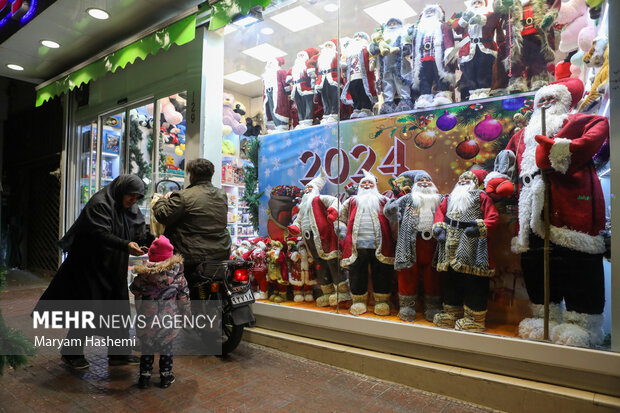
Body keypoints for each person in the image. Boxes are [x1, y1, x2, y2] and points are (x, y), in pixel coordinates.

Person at [500, 77, 609, 347]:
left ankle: (583, 323)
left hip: (570, 204)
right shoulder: (522, 134)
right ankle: (543, 315)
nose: (546, 105)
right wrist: (499, 179)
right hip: (530, 209)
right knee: (536, 263)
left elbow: (598, 132)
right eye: (543, 100)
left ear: (565, 102)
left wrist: (559, 151)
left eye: (552, 99)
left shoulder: (579, 121)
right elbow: (507, 160)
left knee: (576, 261)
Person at [37, 174, 148, 369]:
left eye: (138, 197)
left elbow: (138, 231)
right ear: (121, 190)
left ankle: (118, 353)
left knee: (118, 309)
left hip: (113, 266)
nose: (133, 201)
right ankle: (71, 354)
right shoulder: (100, 203)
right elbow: (99, 233)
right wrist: (126, 244)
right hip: (90, 266)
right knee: (88, 309)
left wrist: (148, 242)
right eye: (131, 196)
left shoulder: (129, 208)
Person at [432, 169, 499, 332]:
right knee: (451, 278)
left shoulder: (481, 197)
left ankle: (475, 319)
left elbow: (493, 217)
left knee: (474, 281)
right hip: (449, 243)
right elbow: (440, 213)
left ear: (476, 183)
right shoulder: (449, 198)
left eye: (468, 179)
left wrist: (478, 229)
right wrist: (439, 228)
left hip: (473, 244)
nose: (462, 181)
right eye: (461, 178)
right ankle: (451, 312)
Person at [152, 158, 232, 288]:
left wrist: (161, 200)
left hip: (191, 257)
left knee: (186, 293)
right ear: (211, 175)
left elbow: (163, 215)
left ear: (192, 175)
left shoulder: (183, 196)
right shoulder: (222, 194)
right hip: (220, 252)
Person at [130, 235, 190, 389]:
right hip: (167, 319)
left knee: (147, 349)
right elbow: (183, 296)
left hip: (147, 319)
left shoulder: (144, 275)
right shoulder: (178, 275)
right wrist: (186, 315)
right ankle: (165, 376)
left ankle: (144, 377)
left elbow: (134, 290)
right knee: (166, 348)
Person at [384, 171, 443, 322]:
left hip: (433, 244)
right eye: (421, 180)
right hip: (410, 243)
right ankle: (406, 306)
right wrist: (391, 210)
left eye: (427, 180)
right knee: (407, 273)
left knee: (433, 275)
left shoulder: (440, 199)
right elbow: (389, 210)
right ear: (415, 184)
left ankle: (432, 306)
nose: (424, 183)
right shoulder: (408, 198)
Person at [287, 170, 351, 307]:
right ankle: (327, 293)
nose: (307, 190)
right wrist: (296, 227)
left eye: (310, 188)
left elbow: (335, 201)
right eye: (306, 189)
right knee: (320, 266)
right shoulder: (302, 207)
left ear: (316, 190)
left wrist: (333, 211)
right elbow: (298, 220)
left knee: (333, 264)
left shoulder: (318, 199)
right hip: (311, 242)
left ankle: (342, 293)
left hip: (325, 239)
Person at [339, 169, 395, 316]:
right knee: (357, 273)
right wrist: (341, 230)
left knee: (382, 273)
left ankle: (382, 301)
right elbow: (340, 219)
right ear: (359, 186)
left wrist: (395, 237)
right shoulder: (351, 202)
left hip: (381, 246)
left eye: (370, 182)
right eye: (364, 183)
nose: (367, 185)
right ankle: (358, 301)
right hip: (356, 246)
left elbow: (393, 221)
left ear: (375, 186)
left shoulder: (384, 201)